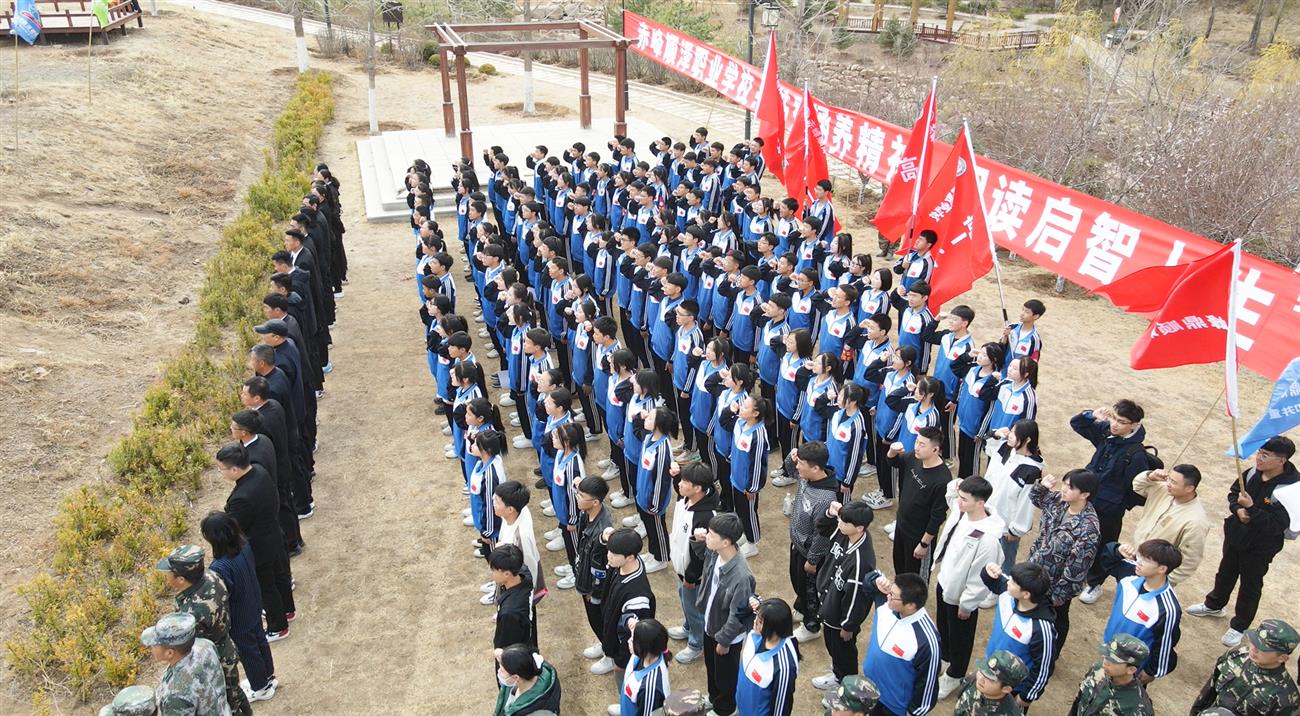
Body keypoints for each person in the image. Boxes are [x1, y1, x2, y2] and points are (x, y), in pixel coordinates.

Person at [1189, 436, 1300, 647]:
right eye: (1259, 452)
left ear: (1282, 460)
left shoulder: (1291, 490)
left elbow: (1277, 526)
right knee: (1226, 572)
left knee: (1250, 584)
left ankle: (1239, 626)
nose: (1259, 458)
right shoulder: (1251, 473)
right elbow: (1234, 493)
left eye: (1265, 455)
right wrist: (1237, 509)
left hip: (1261, 546)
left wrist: (1251, 509)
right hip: (1236, 534)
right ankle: (1214, 604)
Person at [155, 545, 252, 715]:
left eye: (169, 572)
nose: (166, 575)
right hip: (225, 646)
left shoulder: (193, 612)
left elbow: (187, 647)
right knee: (234, 692)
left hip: (215, 658)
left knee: (229, 701)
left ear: (181, 579)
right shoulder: (211, 576)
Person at [1069, 400, 1153, 597]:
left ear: (1134, 425)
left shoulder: (1135, 454)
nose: (1115, 424)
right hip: (1086, 497)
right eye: (1114, 418)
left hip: (1109, 509)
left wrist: (1117, 501)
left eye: (1121, 422)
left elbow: (1137, 488)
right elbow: (1077, 424)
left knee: (1103, 544)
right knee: (1075, 534)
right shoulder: (1106, 432)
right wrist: (1092, 415)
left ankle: (1094, 582)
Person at [1085, 465, 1210, 595]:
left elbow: (1190, 560)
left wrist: (1164, 581)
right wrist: (1150, 476)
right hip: (1137, 559)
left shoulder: (1196, 521)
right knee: (1125, 594)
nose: (1168, 483)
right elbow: (1137, 486)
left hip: (1156, 575)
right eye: (1168, 478)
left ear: (1189, 488)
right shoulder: (1163, 489)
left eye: (1173, 482)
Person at [933, 477, 1005, 699]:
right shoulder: (962, 511)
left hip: (961, 597)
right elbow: (950, 493)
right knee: (944, 627)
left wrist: (967, 604)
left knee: (960, 638)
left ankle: (954, 675)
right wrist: (956, 485)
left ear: (980, 503)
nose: (959, 501)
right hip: (945, 582)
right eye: (960, 497)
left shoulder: (988, 540)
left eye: (964, 499)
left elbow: (979, 578)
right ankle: (944, 658)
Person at [214, 443, 294, 642]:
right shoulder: (259, 471)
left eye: (222, 469)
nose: (221, 473)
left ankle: (278, 626)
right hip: (273, 534)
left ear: (235, 469)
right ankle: (287, 610)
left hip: (259, 547)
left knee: (266, 586)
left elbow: (234, 527)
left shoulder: (242, 498)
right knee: (280, 577)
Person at [200, 511, 275, 704]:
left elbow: (223, 596)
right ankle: (268, 676)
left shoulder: (220, 566)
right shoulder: (244, 545)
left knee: (248, 651)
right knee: (260, 640)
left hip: (239, 616)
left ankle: (260, 687)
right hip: (254, 603)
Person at [1028, 469, 1100, 664]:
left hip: (1056, 583)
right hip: (1037, 568)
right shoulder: (1059, 501)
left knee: (1055, 618)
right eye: (1065, 484)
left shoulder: (1088, 528)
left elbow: (1077, 567)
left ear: (1085, 494)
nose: (1064, 489)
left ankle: (1051, 654)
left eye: (1070, 487)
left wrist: (1059, 595)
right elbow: (1036, 499)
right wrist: (1041, 487)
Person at [811, 500, 876, 692]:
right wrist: (830, 514)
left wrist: (848, 625)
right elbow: (822, 528)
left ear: (859, 528)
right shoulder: (845, 532)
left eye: (844, 522)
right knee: (833, 646)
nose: (839, 524)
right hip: (829, 601)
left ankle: (845, 685)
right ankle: (838, 673)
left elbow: (857, 598)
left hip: (840, 616)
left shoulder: (862, 561)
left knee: (843, 651)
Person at [1098, 539, 1183, 683]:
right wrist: (1118, 551)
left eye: (1146, 560)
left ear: (1162, 569)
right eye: (1140, 556)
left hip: (1130, 666)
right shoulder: (1130, 573)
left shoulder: (1167, 608)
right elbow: (1106, 559)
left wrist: (1151, 672)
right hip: (1110, 649)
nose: (1139, 561)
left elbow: (1164, 645)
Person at [697, 513, 757, 716]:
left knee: (726, 675)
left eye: (711, 534)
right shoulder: (716, 553)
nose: (707, 536)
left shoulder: (741, 576)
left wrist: (724, 640)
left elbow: (738, 615)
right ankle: (714, 698)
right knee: (711, 667)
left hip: (726, 635)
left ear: (725, 542)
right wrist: (698, 541)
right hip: (711, 624)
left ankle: (726, 709)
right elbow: (703, 558)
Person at [860, 572, 941, 716]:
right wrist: (875, 581)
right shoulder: (887, 603)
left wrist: (914, 712)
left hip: (894, 707)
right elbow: (867, 584)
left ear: (910, 605)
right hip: (869, 690)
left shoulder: (926, 640)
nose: (888, 596)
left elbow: (927, 683)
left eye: (893, 595)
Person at [979, 562, 1057, 709]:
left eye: (1013, 582)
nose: (1008, 581)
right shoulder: (1008, 592)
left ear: (1026, 594)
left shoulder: (1040, 629)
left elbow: (1043, 668)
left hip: (1011, 688)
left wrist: (1026, 696)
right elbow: (992, 581)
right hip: (989, 671)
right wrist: (987, 571)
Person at [785, 442, 840, 645]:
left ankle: (812, 625)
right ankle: (801, 609)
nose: (798, 467)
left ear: (816, 468)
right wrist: (791, 458)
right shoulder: (806, 477)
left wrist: (813, 559)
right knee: (797, 581)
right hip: (797, 544)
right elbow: (790, 470)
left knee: (810, 590)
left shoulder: (826, 498)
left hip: (809, 553)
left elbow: (822, 534)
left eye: (801, 463)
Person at [1190, 617, 1300, 715]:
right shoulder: (1236, 655)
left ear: (1282, 658)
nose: (1254, 649)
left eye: (1263, 648)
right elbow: (1209, 691)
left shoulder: (1286, 698)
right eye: (1255, 641)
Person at [667, 464, 719, 665]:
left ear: (698, 488)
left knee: (696, 610)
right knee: (685, 603)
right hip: (681, 568)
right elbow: (679, 489)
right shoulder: (686, 500)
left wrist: (691, 576)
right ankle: (688, 626)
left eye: (685, 482)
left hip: (693, 576)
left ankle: (697, 644)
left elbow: (701, 555)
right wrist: (676, 477)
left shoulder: (705, 517)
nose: (680, 484)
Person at [886, 426, 951, 576]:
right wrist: (892, 451)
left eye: (922, 444)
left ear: (935, 449)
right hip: (901, 526)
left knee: (915, 579)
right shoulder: (914, 458)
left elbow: (937, 517)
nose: (916, 447)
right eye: (917, 442)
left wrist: (924, 544)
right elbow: (893, 462)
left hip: (918, 536)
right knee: (900, 570)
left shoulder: (942, 480)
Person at [983, 420, 1044, 573]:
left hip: (1004, 529)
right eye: (1011, 431)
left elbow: (1026, 504)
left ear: (1027, 439)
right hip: (986, 515)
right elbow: (987, 446)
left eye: (1015, 433)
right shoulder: (1005, 447)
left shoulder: (1031, 470)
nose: (1010, 435)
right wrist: (995, 434)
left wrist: (1015, 530)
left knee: (1003, 566)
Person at [142, 612, 231, 716]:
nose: (150, 648)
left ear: (170, 653)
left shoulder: (175, 694)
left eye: (154, 645)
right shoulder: (205, 646)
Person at [595, 529, 657, 676]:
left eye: (614, 554)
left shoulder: (637, 597)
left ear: (630, 557)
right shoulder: (621, 564)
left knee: (622, 679)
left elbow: (633, 634)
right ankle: (607, 648)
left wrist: (621, 661)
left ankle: (612, 659)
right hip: (611, 629)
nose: (609, 556)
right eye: (609, 551)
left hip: (623, 651)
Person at [735, 597, 800, 716]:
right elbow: (740, 611)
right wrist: (753, 600)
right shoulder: (756, 633)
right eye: (757, 617)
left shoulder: (784, 667)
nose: (755, 622)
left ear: (774, 629)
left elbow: (781, 709)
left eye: (760, 621)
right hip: (743, 708)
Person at [574, 477, 615, 660]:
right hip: (585, 576)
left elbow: (601, 568)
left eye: (581, 496)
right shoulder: (587, 513)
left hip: (594, 587)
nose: (577, 498)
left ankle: (610, 654)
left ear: (596, 502)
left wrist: (595, 593)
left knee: (599, 620)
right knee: (595, 620)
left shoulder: (602, 531)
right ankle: (604, 643)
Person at [1067, 634, 1154, 716]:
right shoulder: (1097, 670)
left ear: (1131, 670)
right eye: (1107, 655)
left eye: (1113, 660)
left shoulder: (1138, 708)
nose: (1105, 662)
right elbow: (1078, 701)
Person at [492, 481, 545, 606]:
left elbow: (529, 568)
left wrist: (526, 597)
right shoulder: (519, 509)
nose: (493, 503)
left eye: (497, 501)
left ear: (510, 509)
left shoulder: (521, 538)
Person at [614, 618, 671, 716]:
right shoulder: (646, 654)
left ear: (643, 647)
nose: (629, 641)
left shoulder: (649, 689)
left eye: (633, 640)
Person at [491, 544, 538, 656]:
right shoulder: (524, 574)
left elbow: (507, 650)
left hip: (516, 656)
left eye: (493, 570)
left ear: (507, 574)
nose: (491, 573)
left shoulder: (510, 613)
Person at [493, 644, 563, 716]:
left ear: (516, 677)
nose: (499, 671)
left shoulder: (538, 713)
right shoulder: (531, 669)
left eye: (502, 670)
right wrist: (505, 655)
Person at [952, 651, 1029, 716]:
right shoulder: (973, 679)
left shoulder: (1010, 713)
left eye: (990, 679)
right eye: (982, 670)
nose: (981, 679)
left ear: (1006, 689)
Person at [999, 300, 1045, 368]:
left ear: (1036, 316)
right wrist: (1005, 337)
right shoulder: (1012, 327)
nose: (1022, 314)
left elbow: (1032, 362)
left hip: (1017, 373)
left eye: (1027, 312)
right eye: (1023, 310)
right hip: (1002, 369)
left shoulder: (1034, 340)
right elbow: (1000, 347)